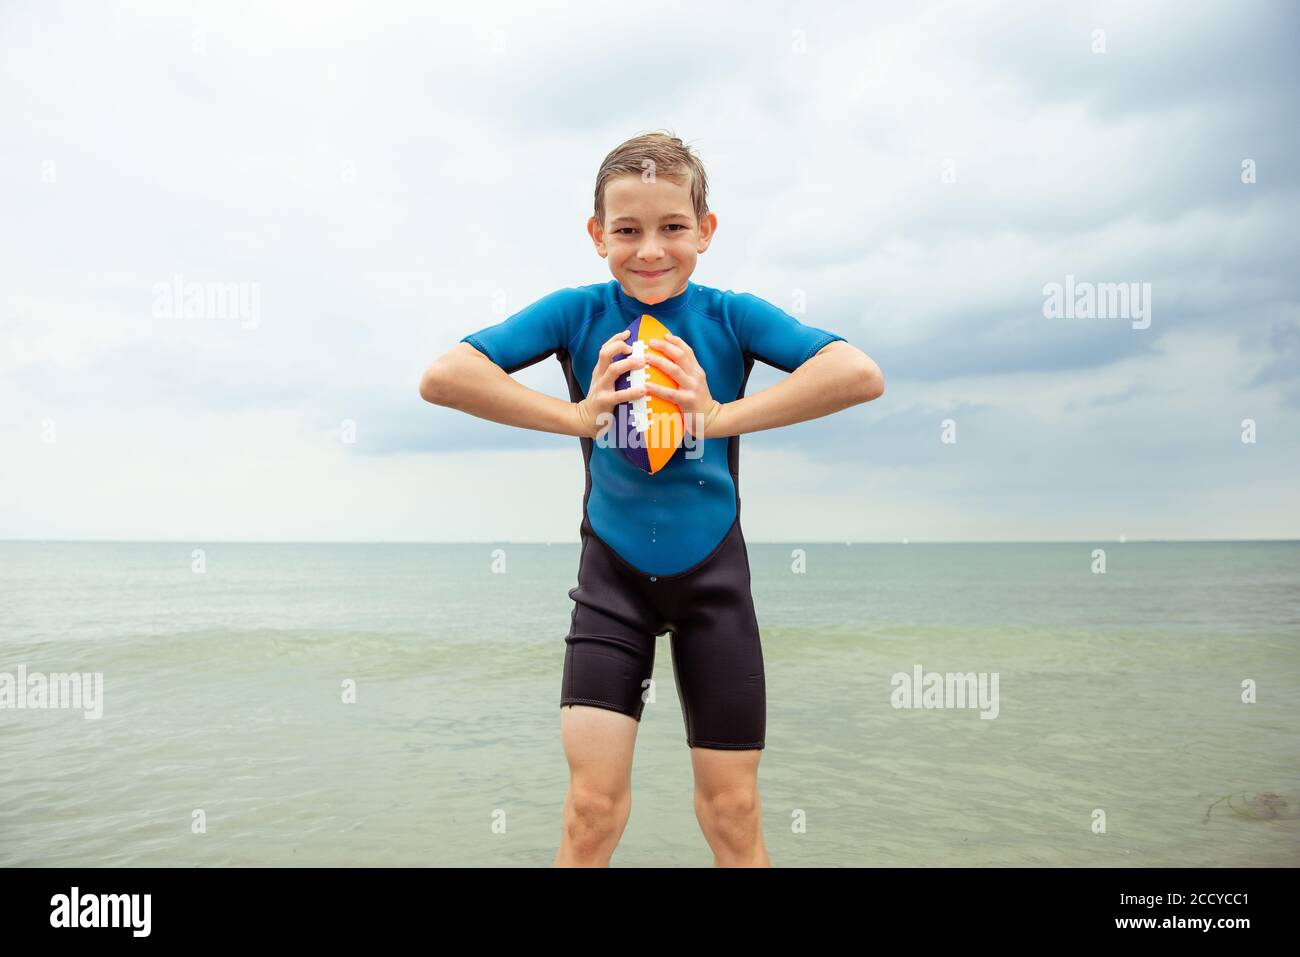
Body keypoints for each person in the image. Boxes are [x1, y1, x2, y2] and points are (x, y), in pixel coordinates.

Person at [419, 131, 884, 867]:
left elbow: (857, 372)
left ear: (706, 229)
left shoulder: (731, 316)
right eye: (627, 230)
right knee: (591, 810)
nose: (650, 250)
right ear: (597, 233)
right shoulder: (576, 313)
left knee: (732, 813)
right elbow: (445, 376)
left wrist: (720, 414)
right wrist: (574, 416)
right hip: (613, 587)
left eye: (672, 227)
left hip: (715, 589)